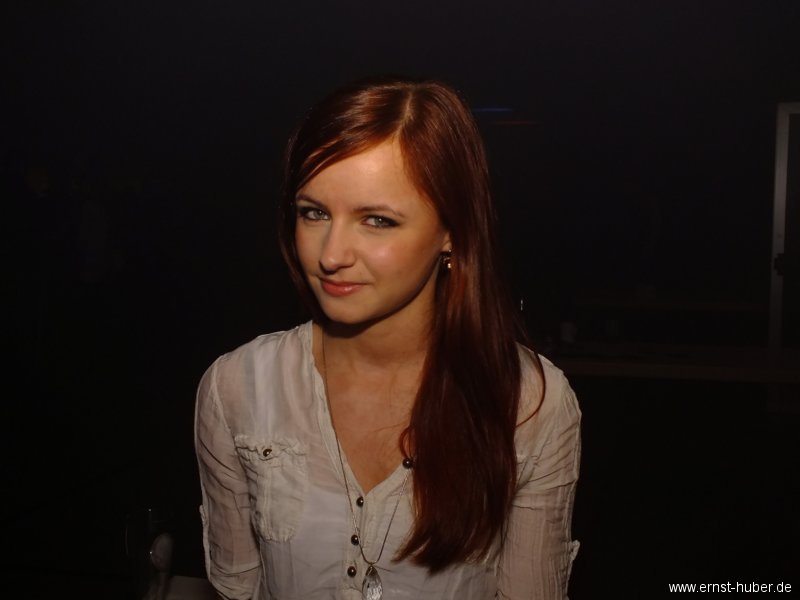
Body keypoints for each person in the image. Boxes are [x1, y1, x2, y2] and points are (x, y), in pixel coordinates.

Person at [194, 75, 581, 600]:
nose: (331, 254)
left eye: (377, 220)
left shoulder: (529, 403)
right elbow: (236, 589)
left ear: (452, 231)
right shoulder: (238, 387)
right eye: (314, 213)